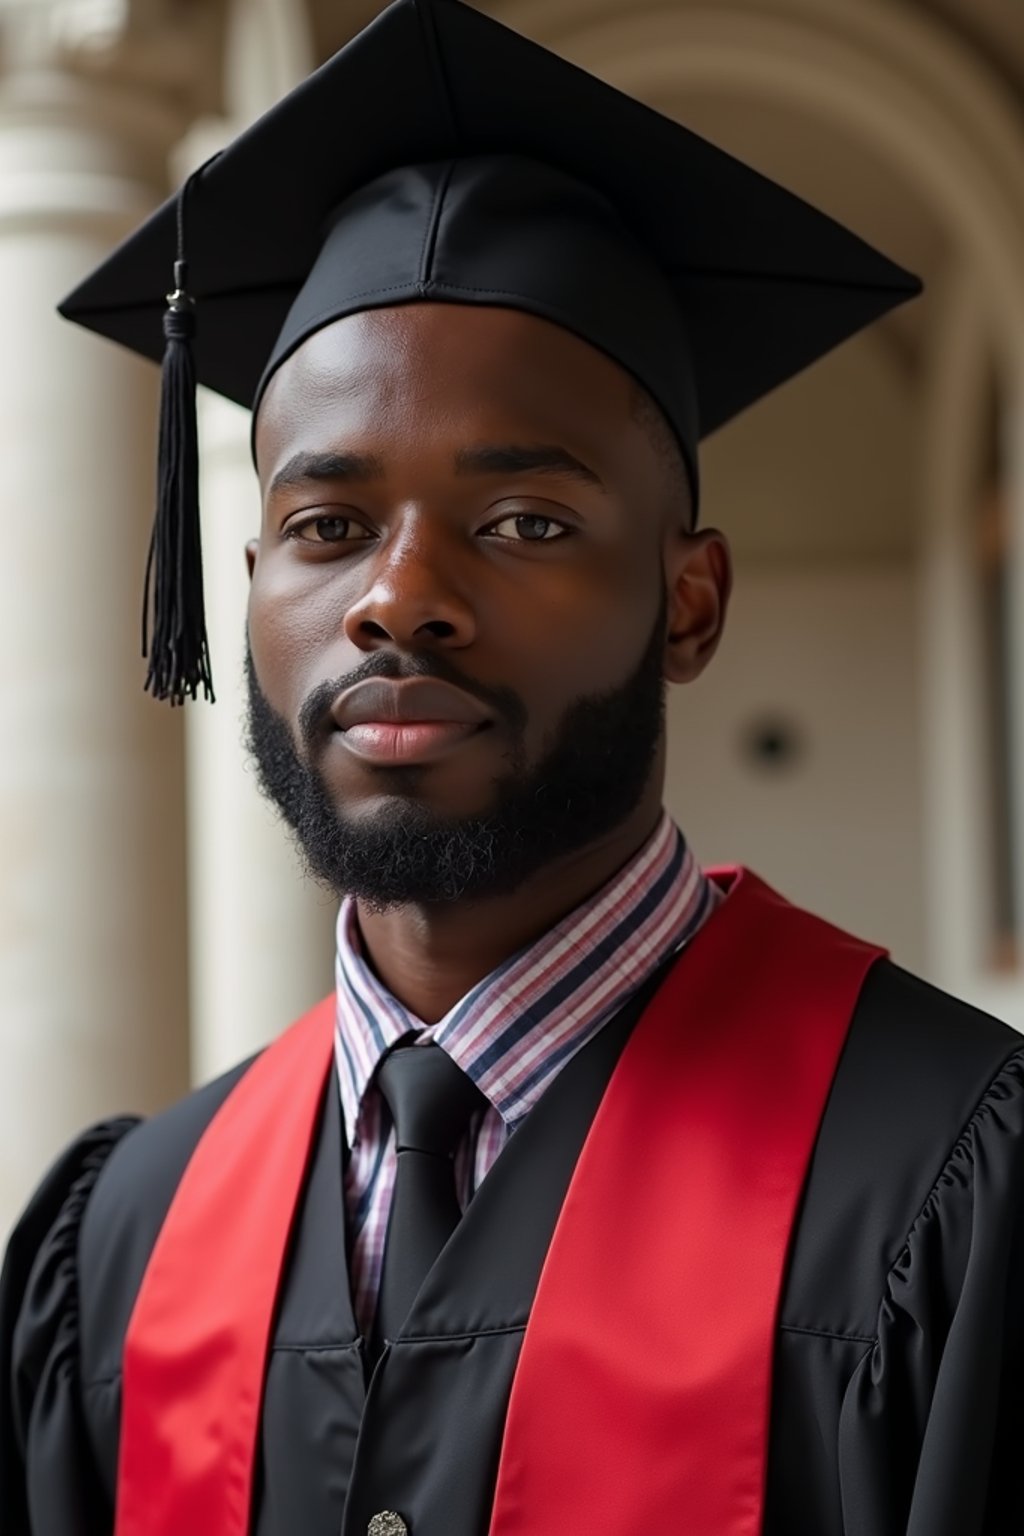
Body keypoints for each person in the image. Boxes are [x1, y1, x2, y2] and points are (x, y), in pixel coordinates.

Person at [2, 1, 1022, 1533]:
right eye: (326, 527)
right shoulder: (128, 1244)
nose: (395, 596)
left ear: (691, 602)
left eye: (525, 521)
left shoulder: (952, 1181)